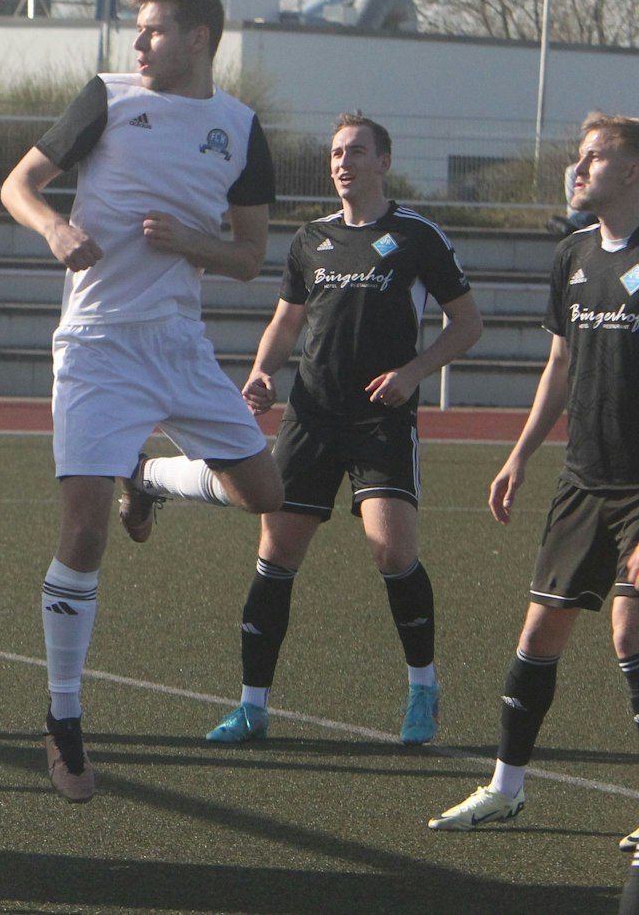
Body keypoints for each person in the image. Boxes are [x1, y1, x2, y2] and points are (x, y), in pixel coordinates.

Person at [0, 0, 282, 803]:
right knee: (83, 536)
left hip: (179, 345)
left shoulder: (239, 130)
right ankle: (63, 716)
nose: (138, 43)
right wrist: (54, 225)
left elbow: (250, 256)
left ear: (199, 38)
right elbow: (18, 184)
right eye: (138, 30)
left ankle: (150, 476)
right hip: (95, 347)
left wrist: (194, 240)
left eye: (153, 30)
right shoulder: (106, 99)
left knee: (265, 492)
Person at [206, 114, 482, 746]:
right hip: (311, 415)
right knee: (276, 557)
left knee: (393, 552)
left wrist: (414, 372)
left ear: (384, 162)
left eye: (356, 151)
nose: (343, 162)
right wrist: (260, 373)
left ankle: (422, 689)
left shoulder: (417, 236)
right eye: (336, 152)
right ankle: (251, 706)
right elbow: (286, 321)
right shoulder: (312, 238)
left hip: (381, 419)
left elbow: (467, 324)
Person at [429, 113, 639, 837]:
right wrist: (519, 453)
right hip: (585, 478)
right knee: (539, 633)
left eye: (595, 158)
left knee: (628, 629)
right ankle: (505, 787)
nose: (577, 170)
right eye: (577, 158)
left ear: (635, 170)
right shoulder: (573, 254)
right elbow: (558, 365)